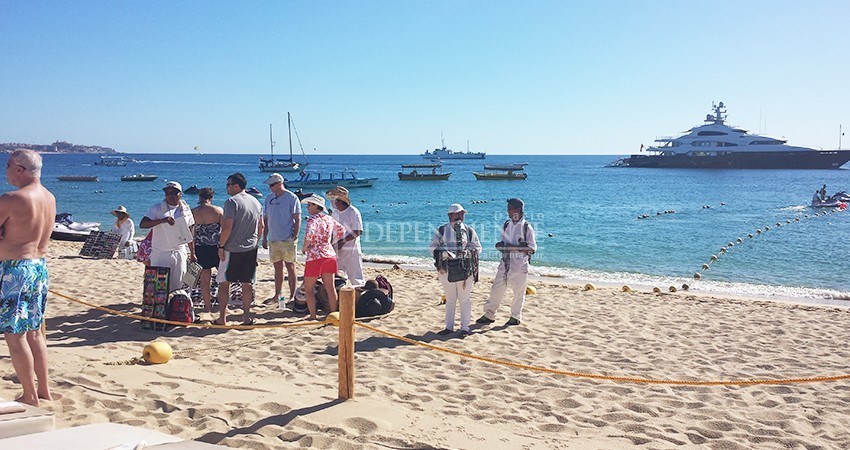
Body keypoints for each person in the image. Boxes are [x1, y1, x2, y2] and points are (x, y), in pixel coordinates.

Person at [0, 150, 56, 406]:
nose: (7, 169)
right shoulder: (49, 198)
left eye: (9, 165)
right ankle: (43, 389)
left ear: (20, 169)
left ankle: (29, 395)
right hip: (38, 267)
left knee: (15, 335)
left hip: (14, 269)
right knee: (34, 332)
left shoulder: (12, 199)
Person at [477, 198, 537, 327]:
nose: (508, 211)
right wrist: (501, 246)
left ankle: (515, 317)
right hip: (505, 263)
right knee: (496, 289)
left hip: (520, 266)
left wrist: (514, 247)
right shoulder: (506, 225)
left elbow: (532, 249)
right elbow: (503, 244)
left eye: (510, 208)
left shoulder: (527, 227)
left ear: (518, 209)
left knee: (518, 292)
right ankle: (489, 314)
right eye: (508, 209)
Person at [215, 173, 263, 325]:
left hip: (232, 248)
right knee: (246, 284)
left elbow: (227, 227)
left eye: (228, 185)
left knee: (224, 283)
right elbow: (261, 226)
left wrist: (221, 246)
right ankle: (246, 317)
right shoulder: (255, 201)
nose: (226, 188)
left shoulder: (231, 202)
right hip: (250, 247)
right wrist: (256, 241)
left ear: (236, 186)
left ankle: (222, 318)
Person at [429, 203, 481, 336]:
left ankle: (465, 328)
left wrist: (467, 253)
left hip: (465, 269)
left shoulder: (469, 230)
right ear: (450, 215)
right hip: (446, 269)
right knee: (451, 299)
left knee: (465, 299)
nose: (461, 216)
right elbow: (432, 248)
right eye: (458, 213)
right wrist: (445, 254)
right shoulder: (441, 230)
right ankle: (449, 327)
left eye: (462, 213)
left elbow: (477, 247)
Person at [140, 181, 196, 292]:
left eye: (174, 193)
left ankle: (173, 307)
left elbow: (189, 231)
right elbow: (143, 224)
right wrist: (162, 221)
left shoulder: (185, 209)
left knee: (177, 285)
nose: (170, 195)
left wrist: (192, 253)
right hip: (160, 252)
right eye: (168, 193)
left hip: (179, 252)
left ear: (180, 194)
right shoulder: (156, 209)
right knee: (159, 286)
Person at [301, 194, 346, 321]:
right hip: (329, 254)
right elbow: (342, 230)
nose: (308, 207)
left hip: (315, 256)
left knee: (309, 289)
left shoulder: (312, 219)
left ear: (317, 206)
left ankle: (313, 316)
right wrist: (330, 242)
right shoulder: (329, 218)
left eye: (310, 204)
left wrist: (305, 248)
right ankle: (333, 314)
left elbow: (309, 235)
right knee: (330, 288)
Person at [261, 173, 301, 308]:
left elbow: (297, 218)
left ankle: (292, 295)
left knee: (290, 266)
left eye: (272, 185)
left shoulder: (291, 197)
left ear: (279, 183)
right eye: (269, 185)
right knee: (277, 267)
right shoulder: (268, 198)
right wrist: (264, 237)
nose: (270, 187)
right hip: (273, 238)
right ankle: (277, 295)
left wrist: (294, 235)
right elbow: (266, 220)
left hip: (287, 238)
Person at [191, 187, 223, 314]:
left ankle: (207, 307)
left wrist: (191, 251)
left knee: (205, 280)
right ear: (211, 197)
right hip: (216, 247)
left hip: (200, 247)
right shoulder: (218, 210)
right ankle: (222, 306)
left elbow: (190, 233)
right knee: (222, 278)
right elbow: (225, 229)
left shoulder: (193, 212)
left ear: (199, 197)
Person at [326, 186, 364, 286]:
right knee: (338, 277)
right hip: (336, 249)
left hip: (351, 250)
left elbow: (358, 231)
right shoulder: (335, 213)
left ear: (339, 201)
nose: (331, 202)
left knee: (356, 277)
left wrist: (343, 241)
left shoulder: (353, 212)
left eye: (333, 200)